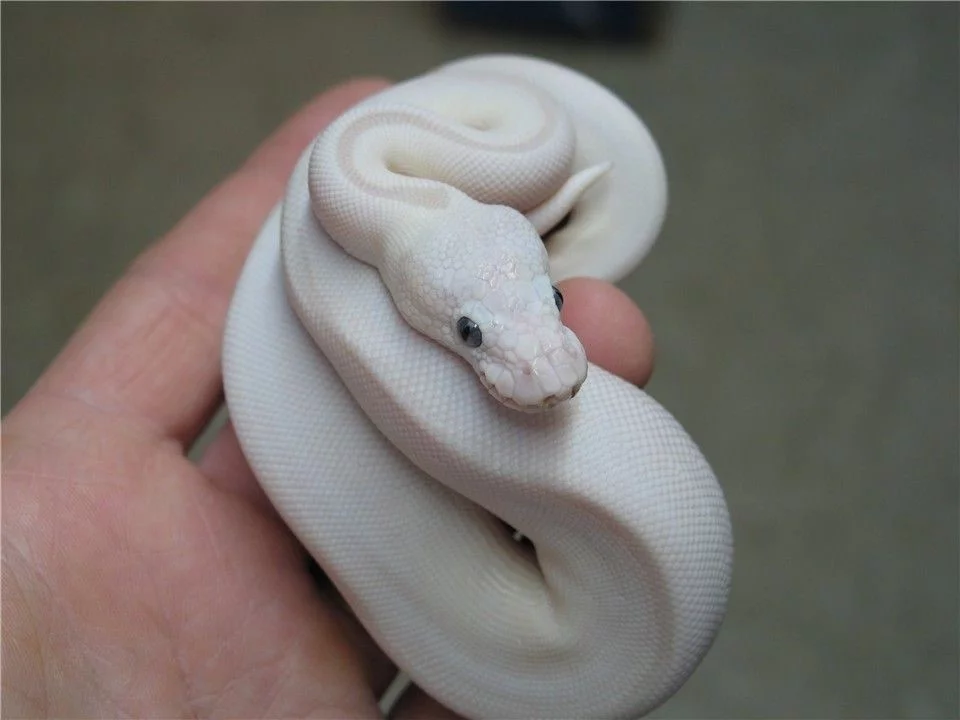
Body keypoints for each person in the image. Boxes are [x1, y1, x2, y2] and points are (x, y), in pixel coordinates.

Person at [2, 79, 656, 719]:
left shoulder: (388, 208)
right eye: (471, 335)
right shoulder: (379, 215)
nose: (548, 374)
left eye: (555, 303)